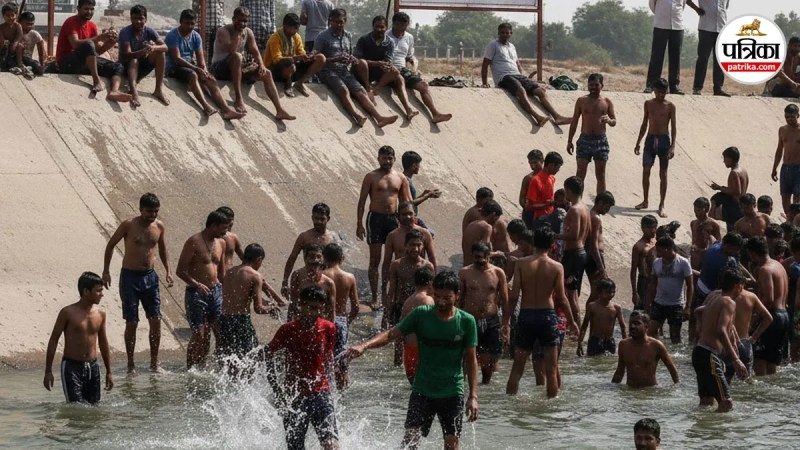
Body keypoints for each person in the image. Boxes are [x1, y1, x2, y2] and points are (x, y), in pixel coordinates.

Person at [347, 271, 479, 450]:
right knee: (410, 440)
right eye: (437, 296)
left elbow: (471, 361)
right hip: (422, 389)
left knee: (452, 444)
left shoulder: (466, 321)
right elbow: (392, 334)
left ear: (457, 295)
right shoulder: (421, 314)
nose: (441, 302)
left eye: (447, 297)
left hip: (452, 392)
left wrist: (473, 396)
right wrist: (365, 345)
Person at [259, 285, 339, 450]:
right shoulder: (288, 330)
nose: (315, 312)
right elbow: (267, 353)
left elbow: (328, 359)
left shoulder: (328, 328)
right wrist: (276, 389)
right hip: (294, 395)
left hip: (321, 392)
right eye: (311, 308)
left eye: (319, 308)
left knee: (331, 445)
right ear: (301, 305)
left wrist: (335, 380)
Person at [102, 193, 173, 373]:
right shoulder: (129, 225)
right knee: (132, 322)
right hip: (130, 278)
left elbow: (163, 249)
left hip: (150, 277)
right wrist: (106, 271)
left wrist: (168, 272)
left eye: (156, 211)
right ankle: (131, 364)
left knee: (155, 319)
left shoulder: (159, 226)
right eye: (149, 211)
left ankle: (154, 363)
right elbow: (110, 245)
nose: (153, 215)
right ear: (140, 209)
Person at [506, 227, 579, 398]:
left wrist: (506, 321)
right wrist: (572, 321)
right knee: (551, 369)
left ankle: (508, 407)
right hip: (547, 316)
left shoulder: (521, 264)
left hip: (526, 315)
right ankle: (551, 412)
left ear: (534, 242)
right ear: (552, 244)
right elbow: (561, 298)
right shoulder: (556, 267)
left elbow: (514, 295)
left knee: (517, 367)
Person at [313, 8, 398, 128]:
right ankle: (356, 115)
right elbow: (316, 58)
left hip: (344, 70)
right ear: (330, 21)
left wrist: (351, 59)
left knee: (360, 91)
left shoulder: (347, 36)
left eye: (342, 22)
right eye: (336, 22)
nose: (339, 25)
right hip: (327, 71)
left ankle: (379, 118)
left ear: (345, 21)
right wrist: (335, 59)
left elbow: (351, 55)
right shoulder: (322, 36)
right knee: (343, 90)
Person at [210, 7, 294, 120]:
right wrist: (237, 33)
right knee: (237, 56)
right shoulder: (223, 31)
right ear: (233, 19)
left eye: (245, 21)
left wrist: (261, 65)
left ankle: (280, 110)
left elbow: (255, 51)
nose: (242, 23)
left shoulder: (248, 32)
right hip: (220, 69)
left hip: (237, 67)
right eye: (239, 20)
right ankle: (238, 99)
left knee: (266, 73)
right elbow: (232, 51)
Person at [481, 23, 571, 127]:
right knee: (521, 90)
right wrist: (484, 83)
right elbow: (485, 64)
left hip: (517, 75)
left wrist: (524, 77)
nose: (504, 35)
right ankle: (537, 116)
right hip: (504, 77)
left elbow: (517, 63)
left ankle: (557, 117)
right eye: (502, 33)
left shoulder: (512, 46)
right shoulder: (493, 45)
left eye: (507, 33)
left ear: (511, 34)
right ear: (498, 33)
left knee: (540, 91)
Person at [43, 272, 113, 404]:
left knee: (94, 408)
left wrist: (109, 372)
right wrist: (48, 371)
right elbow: (53, 340)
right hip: (71, 367)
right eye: (98, 291)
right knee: (75, 407)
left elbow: (103, 342)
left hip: (93, 367)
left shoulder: (100, 314)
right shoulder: (67, 312)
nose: (102, 294)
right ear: (86, 291)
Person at [356, 146, 411, 308]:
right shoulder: (371, 177)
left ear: (394, 159)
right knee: (375, 260)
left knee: (394, 260)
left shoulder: (400, 178)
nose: (387, 161)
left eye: (390, 158)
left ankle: (391, 294)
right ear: (378, 158)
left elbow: (407, 203)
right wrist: (359, 223)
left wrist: (409, 222)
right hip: (375, 219)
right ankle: (375, 297)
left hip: (394, 220)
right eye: (384, 158)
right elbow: (362, 201)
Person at [165, 9, 244, 120]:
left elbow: (200, 59)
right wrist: (196, 69)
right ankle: (205, 106)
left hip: (190, 65)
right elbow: (177, 59)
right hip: (173, 67)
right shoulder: (173, 35)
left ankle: (226, 110)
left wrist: (204, 71)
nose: (190, 26)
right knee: (193, 75)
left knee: (210, 80)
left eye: (192, 23)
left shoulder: (196, 36)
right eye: (187, 23)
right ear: (181, 22)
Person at [176, 210, 230, 368]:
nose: (226, 231)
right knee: (200, 334)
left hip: (216, 292)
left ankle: (213, 366)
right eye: (224, 228)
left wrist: (224, 291)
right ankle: (191, 369)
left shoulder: (222, 243)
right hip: (196, 292)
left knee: (220, 331)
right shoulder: (194, 241)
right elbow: (180, 271)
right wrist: (196, 284)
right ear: (213, 226)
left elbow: (221, 272)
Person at [692, 268, 748, 412]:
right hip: (709, 355)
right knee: (726, 403)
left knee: (707, 402)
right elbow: (721, 330)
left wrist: (700, 330)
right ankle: (719, 434)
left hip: (699, 352)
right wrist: (736, 359)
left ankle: (703, 431)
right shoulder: (729, 302)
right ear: (738, 286)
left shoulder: (715, 298)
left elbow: (698, 311)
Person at [55, 0, 131, 102]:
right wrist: (99, 37)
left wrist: (107, 45)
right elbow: (76, 44)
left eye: (91, 9)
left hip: (84, 64)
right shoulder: (71, 22)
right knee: (88, 44)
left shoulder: (92, 26)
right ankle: (96, 81)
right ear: (78, 9)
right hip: (66, 63)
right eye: (86, 9)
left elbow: (93, 53)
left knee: (118, 67)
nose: (89, 12)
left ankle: (114, 91)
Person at [385, 12, 452, 124]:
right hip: (388, 68)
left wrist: (414, 66)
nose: (403, 29)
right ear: (394, 24)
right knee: (398, 79)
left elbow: (410, 56)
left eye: (405, 26)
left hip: (403, 69)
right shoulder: (386, 36)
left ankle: (435, 114)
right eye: (401, 26)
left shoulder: (409, 37)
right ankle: (408, 110)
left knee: (423, 86)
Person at [219, 243, 274, 375]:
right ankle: (247, 387)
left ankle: (230, 389)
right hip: (241, 321)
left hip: (224, 320)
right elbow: (258, 308)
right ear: (258, 259)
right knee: (251, 357)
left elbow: (237, 296)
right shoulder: (255, 276)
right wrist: (271, 309)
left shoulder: (229, 272)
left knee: (230, 359)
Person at [458, 242, 509, 383]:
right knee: (466, 358)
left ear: (488, 257)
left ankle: (485, 390)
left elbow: (505, 301)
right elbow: (459, 300)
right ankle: (463, 389)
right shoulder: (464, 273)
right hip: (469, 320)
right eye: (475, 257)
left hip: (490, 320)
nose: (478, 260)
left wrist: (506, 325)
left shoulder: (498, 273)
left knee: (487, 362)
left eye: (481, 257)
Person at [353, 15, 418, 121]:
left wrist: (386, 65)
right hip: (363, 71)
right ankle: (368, 87)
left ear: (386, 27)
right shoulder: (364, 39)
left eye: (382, 27)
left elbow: (388, 60)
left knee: (396, 73)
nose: (380, 29)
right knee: (363, 63)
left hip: (379, 72)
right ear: (373, 26)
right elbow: (356, 60)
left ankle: (407, 108)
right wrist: (377, 63)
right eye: (377, 27)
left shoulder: (389, 42)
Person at [385, 231, 435, 368]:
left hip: (422, 309)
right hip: (401, 307)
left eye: (419, 245)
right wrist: (387, 311)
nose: (416, 249)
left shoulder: (427, 266)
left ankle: (422, 368)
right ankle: (397, 370)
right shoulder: (397, 264)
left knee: (422, 341)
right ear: (406, 246)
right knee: (398, 344)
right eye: (412, 245)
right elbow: (392, 291)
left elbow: (432, 292)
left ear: (423, 246)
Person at [566, 73, 617, 195]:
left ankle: (600, 204)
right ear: (587, 85)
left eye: (596, 85)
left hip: (601, 141)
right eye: (591, 85)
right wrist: (569, 140)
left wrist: (609, 120)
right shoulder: (582, 101)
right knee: (580, 173)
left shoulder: (606, 101)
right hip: (585, 139)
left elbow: (614, 121)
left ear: (602, 85)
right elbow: (574, 122)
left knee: (600, 175)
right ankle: (577, 203)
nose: (593, 87)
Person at [746, 237, 790, 376]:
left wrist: (754, 319)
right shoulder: (779, 266)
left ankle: (760, 397)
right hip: (784, 316)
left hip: (771, 317)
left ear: (753, 253)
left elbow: (768, 299)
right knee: (771, 363)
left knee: (759, 361)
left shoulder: (765, 270)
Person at [634, 78, 677, 217]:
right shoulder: (648, 104)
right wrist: (638, 141)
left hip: (664, 140)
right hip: (650, 139)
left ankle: (661, 204)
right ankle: (645, 200)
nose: (661, 95)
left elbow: (674, 127)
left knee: (663, 173)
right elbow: (644, 123)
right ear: (654, 91)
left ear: (667, 91)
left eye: (663, 92)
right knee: (646, 170)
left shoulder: (670, 106)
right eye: (658, 92)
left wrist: (673, 146)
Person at [691, 231, 743, 341]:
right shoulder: (727, 261)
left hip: (701, 286)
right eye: (735, 249)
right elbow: (729, 282)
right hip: (712, 292)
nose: (736, 252)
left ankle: (694, 340)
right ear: (727, 245)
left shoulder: (715, 246)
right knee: (713, 322)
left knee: (699, 320)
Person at [320, 243, 359, 390]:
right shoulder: (349, 277)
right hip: (341, 320)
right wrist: (347, 321)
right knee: (342, 359)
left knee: (323, 356)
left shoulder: (322, 277)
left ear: (324, 257)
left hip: (324, 320)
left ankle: (325, 388)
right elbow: (355, 307)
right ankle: (342, 392)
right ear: (341, 258)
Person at [282, 203, 338, 297]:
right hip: (307, 278)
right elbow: (292, 258)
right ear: (312, 218)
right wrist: (285, 282)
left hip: (326, 279)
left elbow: (336, 264)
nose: (318, 222)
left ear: (328, 219)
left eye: (322, 219)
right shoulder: (304, 237)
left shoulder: (332, 238)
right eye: (316, 218)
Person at [263, 12, 326, 97]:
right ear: (285, 26)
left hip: (291, 69)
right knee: (289, 61)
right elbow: (277, 59)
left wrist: (308, 56)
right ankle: (288, 84)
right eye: (294, 28)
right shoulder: (275, 38)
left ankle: (299, 83)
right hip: (274, 71)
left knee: (321, 58)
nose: (296, 31)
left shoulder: (296, 37)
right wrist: (297, 58)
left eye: (297, 28)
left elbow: (301, 53)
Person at [118, 4, 168, 107]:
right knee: (134, 60)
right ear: (131, 19)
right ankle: (134, 92)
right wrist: (144, 51)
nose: (138, 21)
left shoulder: (149, 31)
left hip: (142, 67)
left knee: (160, 53)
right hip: (126, 67)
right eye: (135, 18)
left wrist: (153, 48)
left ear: (145, 19)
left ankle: (158, 90)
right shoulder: (125, 32)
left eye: (141, 18)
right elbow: (127, 55)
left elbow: (165, 47)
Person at [612, 311, 679, 388]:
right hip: (630, 392)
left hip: (650, 392)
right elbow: (620, 370)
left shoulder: (656, 345)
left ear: (646, 326)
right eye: (631, 323)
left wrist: (677, 389)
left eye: (637, 323)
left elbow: (672, 369)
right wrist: (613, 389)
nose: (632, 326)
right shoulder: (623, 344)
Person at [648, 236, 693, 344]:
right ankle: (658, 350)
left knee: (675, 336)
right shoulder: (656, 263)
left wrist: (687, 307)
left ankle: (676, 358)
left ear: (667, 249)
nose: (656, 253)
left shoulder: (683, 262)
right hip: (658, 303)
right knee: (651, 331)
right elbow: (652, 284)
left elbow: (690, 286)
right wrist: (649, 302)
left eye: (659, 250)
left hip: (676, 304)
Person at [558, 176, 591, 323]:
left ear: (569, 190)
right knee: (573, 292)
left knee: (570, 293)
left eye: (566, 190)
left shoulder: (574, 209)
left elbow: (574, 234)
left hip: (573, 254)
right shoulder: (585, 208)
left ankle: (575, 325)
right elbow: (587, 232)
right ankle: (575, 324)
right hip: (580, 252)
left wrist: (555, 236)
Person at [382, 202, 436, 290]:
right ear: (398, 216)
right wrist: (384, 289)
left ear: (415, 214)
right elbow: (386, 263)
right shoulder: (392, 236)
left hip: (420, 278)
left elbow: (432, 259)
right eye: (404, 214)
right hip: (401, 278)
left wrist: (434, 286)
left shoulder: (425, 233)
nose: (407, 216)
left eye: (410, 213)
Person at [725, 288, 773, 382]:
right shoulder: (751, 296)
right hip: (745, 343)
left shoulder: (720, 296)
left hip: (727, 343)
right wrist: (754, 337)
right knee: (747, 381)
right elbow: (768, 318)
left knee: (725, 382)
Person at [687, 0, 729, 96]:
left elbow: (725, 7)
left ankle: (718, 88)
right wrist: (696, 9)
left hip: (721, 27)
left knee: (719, 59)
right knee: (703, 58)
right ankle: (697, 88)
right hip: (706, 27)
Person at [400, 266, 435, 384]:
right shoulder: (428, 300)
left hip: (409, 349)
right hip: (423, 350)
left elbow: (401, 328)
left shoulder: (407, 301)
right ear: (430, 283)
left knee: (414, 388)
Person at [644, 0, 686, 94]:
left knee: (675, 57)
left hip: (677, 25)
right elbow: (652, 4)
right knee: (657, 56)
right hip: (661, 24)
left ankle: (674, 86)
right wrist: (661, 13)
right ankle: (651, 85)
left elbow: (683, 5)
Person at [577, 279, 626, 356]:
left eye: (613, 292)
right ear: (599, 292)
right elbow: (584, 326)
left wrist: (625, 344)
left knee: (609, 364)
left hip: (609, 341)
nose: (611, 294)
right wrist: (579, 344)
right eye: (608, 292)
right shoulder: (592, 306)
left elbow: (623, 327)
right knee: (593, 363)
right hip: (595, 341)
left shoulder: (616, 308)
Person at [288, 243, 336, 322]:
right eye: (311, 256)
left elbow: (331, 310)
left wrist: (331, 329)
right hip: (301, 321)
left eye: (319, 257)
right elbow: (293, 303)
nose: (315, 260)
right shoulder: (297, 276)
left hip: (320, 323)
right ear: (305, 258)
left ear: (323, 260)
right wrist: (289, 324)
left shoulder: (329, 283)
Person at [709, 146, 749, 231]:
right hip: (742, 206)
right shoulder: (743, 170)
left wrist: (719, 188)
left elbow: (737, 191)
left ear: (730, 159)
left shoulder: (734, 172)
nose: (724, 161)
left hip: (735, 208)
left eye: (725, 158)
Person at [586, 191, 615, 304]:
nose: (607, 210)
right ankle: (588, 318)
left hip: (593, 256)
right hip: (594, 258)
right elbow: (593, 244)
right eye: (607, 207)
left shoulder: (591, 215)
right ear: (600, 203)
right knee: (597, 293)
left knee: (597, 292)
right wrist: (601, 268)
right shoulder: (595, 218)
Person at [772, 104, 800, 217]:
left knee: (797, 199)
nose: (789, 119)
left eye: (792, 117)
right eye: (787, 117)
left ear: (798, 115)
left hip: (798, 168)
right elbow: (779, 150)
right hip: (786, 168)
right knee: (785, 198)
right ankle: (789, 222)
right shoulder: (782, 130)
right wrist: (774, 168)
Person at [524, 151, 563, 230]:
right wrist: (546, 205)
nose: (558, 170)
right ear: (551, 165)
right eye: (558, 167)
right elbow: (529, 206)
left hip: (550, 216)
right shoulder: (536, 180)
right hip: (539, 220)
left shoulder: (552, 178)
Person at [401, 150, 441, 224]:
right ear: (414, 165)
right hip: (407, 219)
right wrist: (427, 196)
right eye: (418, 164)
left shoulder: (405, 179)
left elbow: (410, 200)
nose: (419, 167)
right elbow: (409, 203)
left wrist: (423, 195)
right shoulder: (406, 180)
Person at [462, 200, 503, 266]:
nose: (496, 222)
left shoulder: (472, 224)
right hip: (475, 267)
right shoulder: (487, 227)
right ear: (493, 214)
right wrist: (497, 254)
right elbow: (484, 251)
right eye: (496, 219)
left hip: (466, 264)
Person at [631, 215, 659, 310]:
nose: (653, 230)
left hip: (656, 280)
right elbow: (633, 270)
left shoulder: (656, 243)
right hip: (644, 282)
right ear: (643, 228)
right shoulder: (638, 246)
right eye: (649, 227)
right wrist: (635, 292)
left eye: (654, 227)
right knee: (641, 310)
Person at [689, 197, 722, 272]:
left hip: (707, 255)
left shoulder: (713, 224)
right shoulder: (693, 223)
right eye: (695, 210)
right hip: (695, 255)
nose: (696, 213)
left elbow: (719, 243)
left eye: (699, 210)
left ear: (706, 209)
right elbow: (693, 239)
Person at [16, 11, 47, 76]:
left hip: (27, 60)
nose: (30, 26)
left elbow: (41, 53)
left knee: (37, 68)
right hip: (14, 58)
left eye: (32, 24)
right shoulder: (14, 32)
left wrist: (42, 66)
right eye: (27, 24)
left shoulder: (35, 34)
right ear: (20, 22)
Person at [519, 149, 544, 223]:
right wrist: (527, 208)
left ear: (542, 161)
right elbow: (521, 198)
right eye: (530, 163)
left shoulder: (548, 177)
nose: (533, 165)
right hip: (530, 213)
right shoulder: (528, 178)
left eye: (535, 162)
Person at [0, 2, 23, 72]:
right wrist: (4, 42)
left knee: (20, 46)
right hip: (4, 46)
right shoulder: (1, 27)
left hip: (14, 46)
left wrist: (14, 45)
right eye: (7, 15)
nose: (10, 17)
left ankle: (20, 64)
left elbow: (19, 37)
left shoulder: (18, 26)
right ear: (3, 16)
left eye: (12, 15)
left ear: (16, 15)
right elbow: (1, 38)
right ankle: (3, 64)